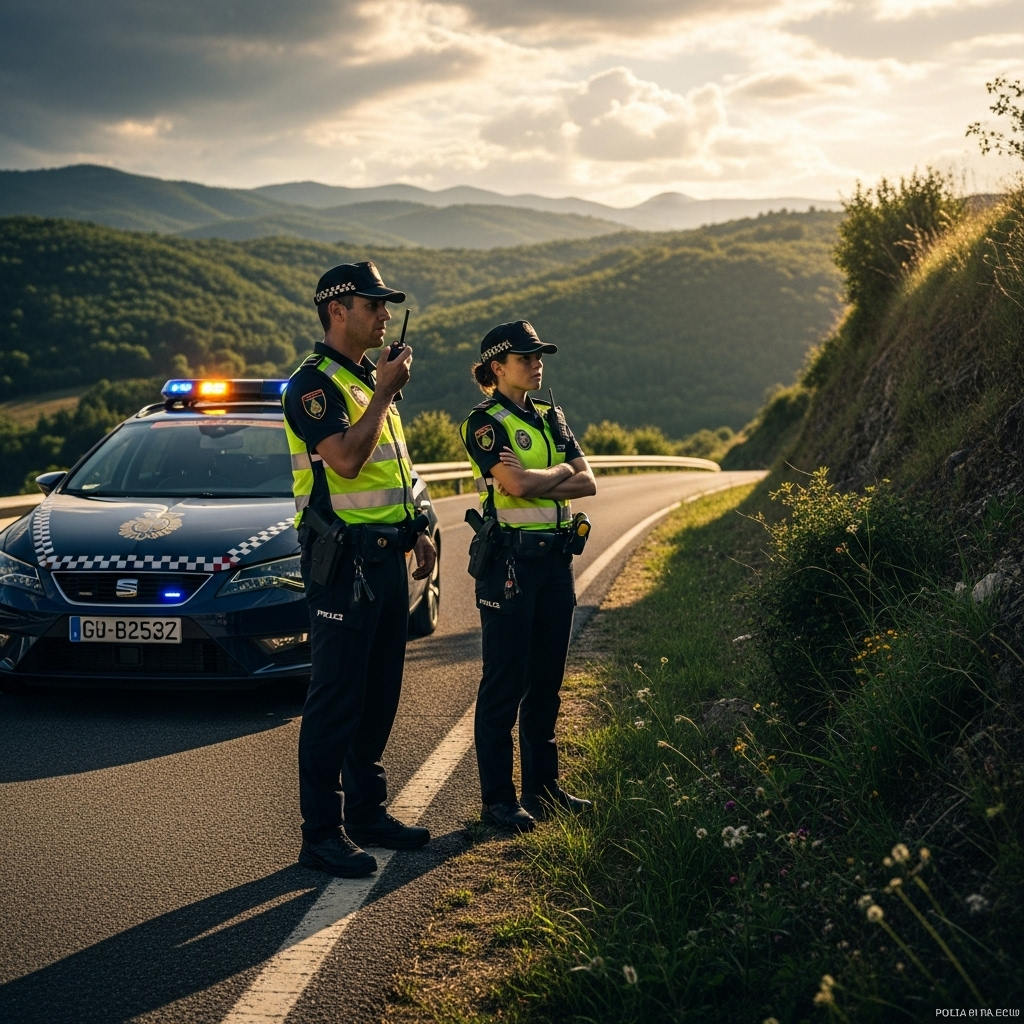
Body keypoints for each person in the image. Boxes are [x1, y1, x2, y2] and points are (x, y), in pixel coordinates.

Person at [282, 261, 437, 877]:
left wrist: (420, 527)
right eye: (372, 305)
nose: (383, 315)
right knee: (335, 699)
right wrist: (385, 393)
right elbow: (346, 461)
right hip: (343, 563)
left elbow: (393, 470)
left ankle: (367, 813)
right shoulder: (313, 385)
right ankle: (320, 833)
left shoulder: (368, 380)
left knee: (378, 695)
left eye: (385, 305)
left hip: (386, 559)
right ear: (337, 311)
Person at [460, 320, 597, 832]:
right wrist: (558, 474)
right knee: (504, 683)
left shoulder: (549, 416)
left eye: (539, 355)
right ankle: (498, 800)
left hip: (555, 564)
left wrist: (551, 477)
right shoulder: (483, 422)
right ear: (498, 367)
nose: (537, 363)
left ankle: (544, 789)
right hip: (509, 567)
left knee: (546, 684)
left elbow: (589, 481)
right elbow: (512, 484)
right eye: (525, 357)